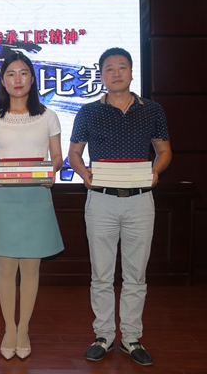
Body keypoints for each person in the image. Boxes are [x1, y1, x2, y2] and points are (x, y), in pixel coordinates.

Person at [68, 47, 172, 366]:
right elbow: (74, 154)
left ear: (131, 72)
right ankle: (103, 335)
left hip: (140, 200)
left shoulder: (152, 109)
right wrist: (84, 173)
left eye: (122, 67)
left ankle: (131, 338)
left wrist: (155, 171)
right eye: (109, 68)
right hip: (101, 200)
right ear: (101, 75)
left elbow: (164, 151)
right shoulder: (88, 112)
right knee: (101, 274)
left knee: (135, 275)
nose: (116, 73)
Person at [0, 52, 64, 360]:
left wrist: (51, 169)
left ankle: (23, 328)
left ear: (32, 78)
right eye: (11, 74)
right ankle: (9, 328)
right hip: (5, 198)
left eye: (23, 72)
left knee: (30, 268)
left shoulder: (48, 116)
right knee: (5, 268)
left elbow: (57, 157)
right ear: (3, 81)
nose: (18, 79)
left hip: (36, 197)